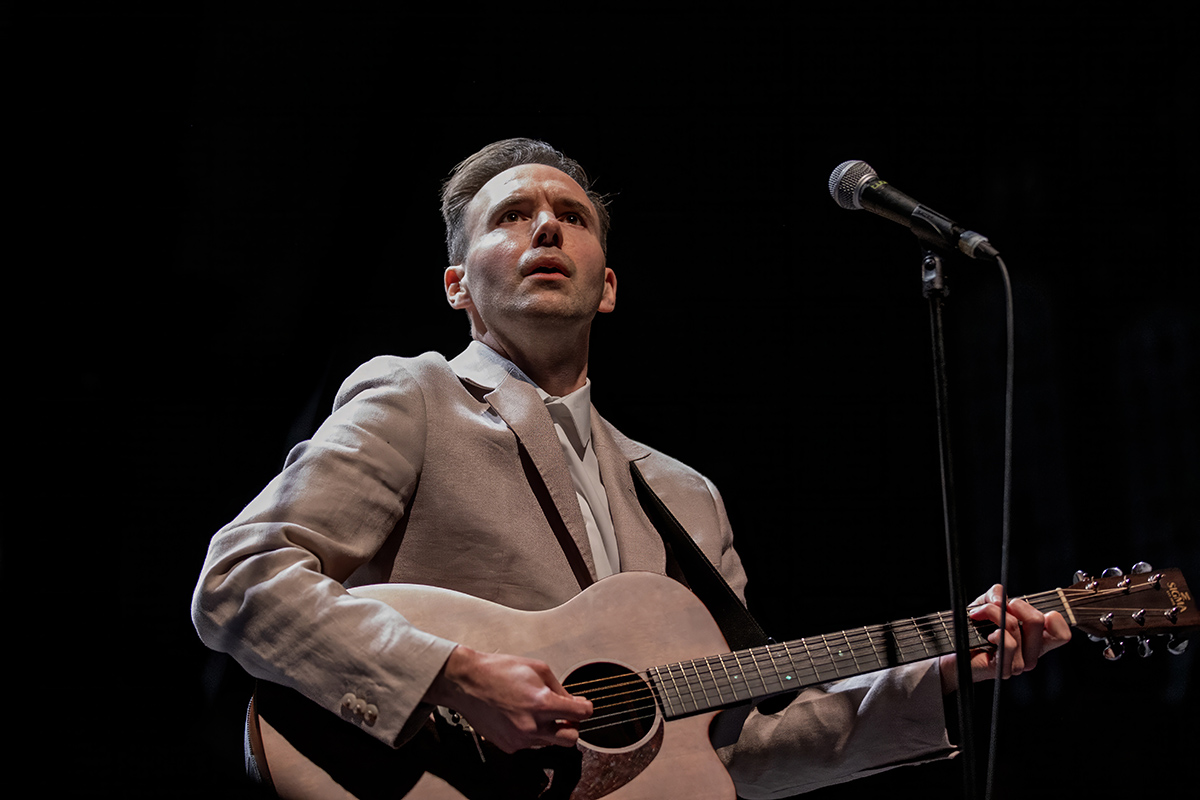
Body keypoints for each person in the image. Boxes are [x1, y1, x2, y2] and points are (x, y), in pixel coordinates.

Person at [192, 138, 1070, 798]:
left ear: (606, 284)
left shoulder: (686, 497)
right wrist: (454, 674)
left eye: (570, 217)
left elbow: (735, 750)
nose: (546, 225)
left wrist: (947, 668)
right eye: (512, 215)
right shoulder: (413, 398)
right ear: (458, 285)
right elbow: (240, 581)